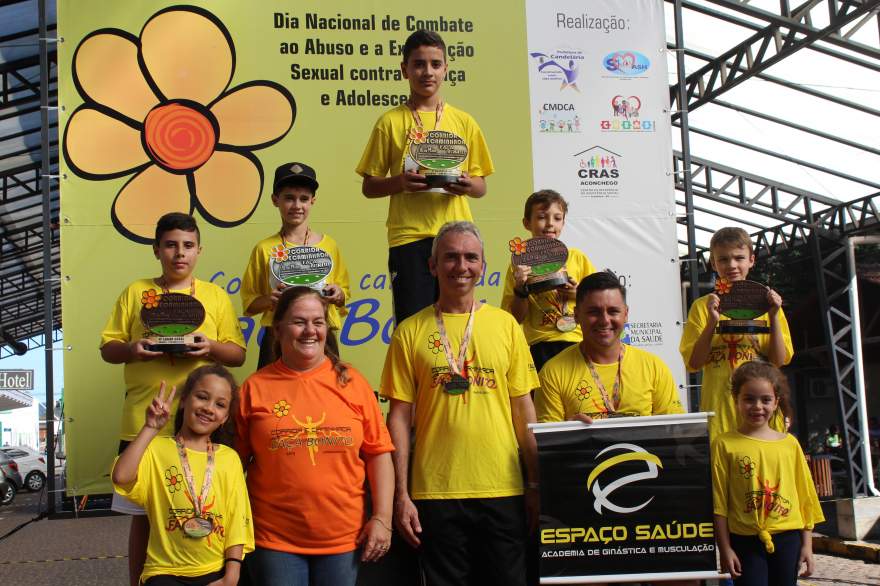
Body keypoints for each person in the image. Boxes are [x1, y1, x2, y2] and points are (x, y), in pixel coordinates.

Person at [382, 221, 540, 586]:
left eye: (471, 257)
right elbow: (399, 420)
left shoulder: (506, 326)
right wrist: (401, 495)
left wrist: (534, 484)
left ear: (483, 266)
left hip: (503, 489)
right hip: (435, 493)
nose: (461, 266)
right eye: (450, 257)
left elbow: (524, 411)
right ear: (432, 266)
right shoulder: (409, 331)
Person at [100, 212, 246, 586]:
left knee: (204, 501)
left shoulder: (214, 296)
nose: (179, 253)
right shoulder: (136, 293)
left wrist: (208, 346)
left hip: (198, 423)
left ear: (199, 250)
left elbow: (237, 354)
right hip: (143, 419)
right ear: (156, 249)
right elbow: (108, 348)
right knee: (143, 515)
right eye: (170, 245)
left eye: (187, 245)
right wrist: (133, 348)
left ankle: (207, 571)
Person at [235, 286, 395, 586]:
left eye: (318, 322)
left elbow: (379, 454)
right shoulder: (254, 388)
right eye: (299, 321)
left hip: (343, 538)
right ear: (278, 329)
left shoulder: (354, 382)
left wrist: (383, 519)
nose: (310, 330)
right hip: (274, 538)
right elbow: (232, 466)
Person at [356, 30, 494, 326]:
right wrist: (400, 183)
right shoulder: (390, 122)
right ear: (404, 69)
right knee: (412, 324)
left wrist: (469, 186)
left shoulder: (464, 121)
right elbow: (369, 186)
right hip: (409, 237)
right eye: (419, 64)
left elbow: (481, 186)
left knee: (458, 320)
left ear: (446, 68)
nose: (427, 72)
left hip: (456, 237)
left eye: (435, 64)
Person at [112, 365, 254, 585]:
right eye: (202, 397)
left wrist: (231, 576)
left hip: (215, 571)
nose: (208, 408)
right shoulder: (156, 449)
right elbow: (121, 477)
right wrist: (150, 428)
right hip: (163, 573)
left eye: (220, 404)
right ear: (185, 400)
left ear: (225, 417)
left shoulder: (229, 458)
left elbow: (237, 521)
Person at [713, 361, 823, 585]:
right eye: (749, 399)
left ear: (776, 403)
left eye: (765, 400)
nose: (757, 406)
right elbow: (719, 502)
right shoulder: (724, 444)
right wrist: (724, 548)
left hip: (787, 539)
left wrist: (807, 545)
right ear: (736, 400)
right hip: (744, 540)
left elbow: (805, 497)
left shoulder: (790, 444)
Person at [680, 227, 793, 439]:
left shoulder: (769, 305)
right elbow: (694, 364)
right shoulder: (702, 306)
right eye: (723, 259)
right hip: (720, 415)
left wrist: (775, 315)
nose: (731, 265)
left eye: (739, 258)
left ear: (751, 260)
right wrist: (712, 321)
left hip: (762, 416)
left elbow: (778, 360)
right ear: (713, 264)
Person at [241, 162, 351, 368]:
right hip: (277, 334)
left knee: (325, 395)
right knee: (271, 395)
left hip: (320, 333)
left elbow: (344, 294)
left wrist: (338, 294)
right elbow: (250, 303)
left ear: (313, 201)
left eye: (304, 199)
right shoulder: (264, 248)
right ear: (275, 200)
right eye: (289, 198)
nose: (297, 206)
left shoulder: (329, 245)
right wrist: (269, 300)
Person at [535, 271, 684, 422]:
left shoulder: (654, 368)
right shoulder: (552, 373)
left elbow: (674, 431)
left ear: (625, 314)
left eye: (613, 311)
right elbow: (548, 442)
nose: (604, 320)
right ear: (577, 315)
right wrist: (568, 431)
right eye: (594, 312)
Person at [501, 189, 597, 371]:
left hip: (577, 341)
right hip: (540, 345)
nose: (550, 224)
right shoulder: (519, 265)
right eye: (542, 217)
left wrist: (577, 293)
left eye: (557, 218)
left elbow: (598, 302)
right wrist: (521, 289)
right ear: (527, 223)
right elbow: (515, 318)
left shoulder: (577, 258)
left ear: (563, 222)